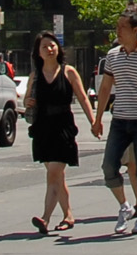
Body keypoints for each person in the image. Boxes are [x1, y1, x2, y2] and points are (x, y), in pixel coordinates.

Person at [93, 11, 137, 235]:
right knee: (109, 167)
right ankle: (124, 205)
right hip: (120, 120)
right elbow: (105, 88)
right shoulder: (113, 55)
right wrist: (97, 119)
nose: (117, 32)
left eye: (122, 28)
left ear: (136, 31)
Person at [27, 29, 96, 235]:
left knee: (54, 173)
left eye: (52, 45)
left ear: (58, 48)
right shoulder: (36, 76)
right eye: (44, 47)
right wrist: (27, 102)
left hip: (63, 127)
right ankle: (68, 215)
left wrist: (94, 121)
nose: (49, 49)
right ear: (38, 52)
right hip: (42, 128)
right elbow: (27, 100)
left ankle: (45, 218)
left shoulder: (68, 72)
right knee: (57, 176)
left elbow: (83, 97)